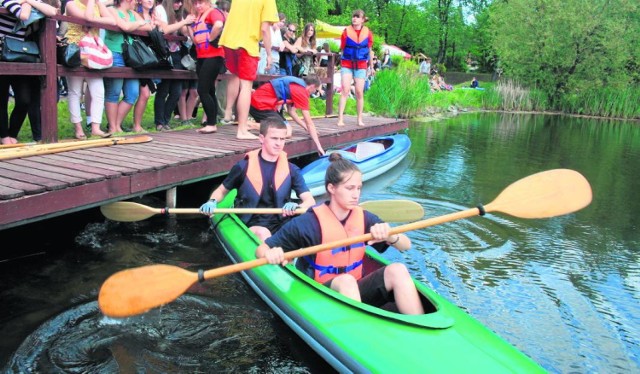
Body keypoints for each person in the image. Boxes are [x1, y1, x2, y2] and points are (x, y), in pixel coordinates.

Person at [256, 153, 425, 315]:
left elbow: (406, 245)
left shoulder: (365, 218)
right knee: (346, 281)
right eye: (350, 188)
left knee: (398, 269)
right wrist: (271, 253)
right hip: (319, 293)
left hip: (355, 290)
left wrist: (390, 236)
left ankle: (421, 328)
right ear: (332, 188)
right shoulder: (308, 222)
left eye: (359, 188)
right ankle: (362, 334)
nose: (356, 194)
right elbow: (261, 250)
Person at [199, 118, 315, 241]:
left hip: (281, 223)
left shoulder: (292, 170)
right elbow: (222, 191)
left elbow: (310, 201)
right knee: (263, 233)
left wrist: (297, 206)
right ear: (261, 138)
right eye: (274, 138)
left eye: (282, 139)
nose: (279, 143)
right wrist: (212, 201)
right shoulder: (243, 166)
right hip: (251, 223)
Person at [217, 0, 278, 140]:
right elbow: (264, 29)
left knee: (234, 76)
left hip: (229, 41)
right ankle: (242, 129)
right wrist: (269, 54)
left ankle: (227, 112)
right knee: (246, 86)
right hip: (247, 44)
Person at [0, 0, 58, 145]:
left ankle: (12, 133)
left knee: (24, 99)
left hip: (19, 55)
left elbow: (52, 11)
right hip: (2, 53)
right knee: (1, 100)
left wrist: (29, 1)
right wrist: (28, 4)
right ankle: (4, 136)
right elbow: (24, 15)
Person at [64, 0, 115, 139]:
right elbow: (86, 18)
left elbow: (112, 21)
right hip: (76, 50)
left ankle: (95, 127)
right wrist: (95, 12)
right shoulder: (71, 4)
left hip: (94, 51)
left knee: (98, 91)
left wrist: (96, 8)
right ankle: (78, 127)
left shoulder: (98, 3)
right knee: (75, 91)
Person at [104, 0, 152, 134]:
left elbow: (149, 27)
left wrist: (133, 24)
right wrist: (138, 24)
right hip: (115, 52)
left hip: (131, 56)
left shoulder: (133, 13)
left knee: (132, 93)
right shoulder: (112, 10)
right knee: (114, 91)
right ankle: (113, 128)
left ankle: (116, 125)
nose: (137, 2)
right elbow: (124, 27)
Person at [249, 75, 325, 155]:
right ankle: (250, 125)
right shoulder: (301, 91)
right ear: (312, 86)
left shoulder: (297, 85)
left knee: (287, 130)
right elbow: (309, 123)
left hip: (262, 104)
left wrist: (306, 128)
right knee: (286, 131)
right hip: (260, 105)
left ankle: (258, 125)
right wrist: (319, 146)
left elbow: (291, 111)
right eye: (316, 89)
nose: (315, 92)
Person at [152, 0, 195, 132]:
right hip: (164, 53)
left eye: (181, 2)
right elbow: (165, 29)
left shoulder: (178, 14)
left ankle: (166, 120)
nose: (179, 5)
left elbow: (184, 31)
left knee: (176, 92)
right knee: (163, 90)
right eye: (176, 2)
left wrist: (187, 23)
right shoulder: (160, 9)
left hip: (177, 54)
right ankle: (159, 122)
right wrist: (183, 22)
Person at [189, 0, 227, 134]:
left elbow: (218, 24)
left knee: (202, 90)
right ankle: (212, 121)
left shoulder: (213, 12)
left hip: (214, 56)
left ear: (208, 3)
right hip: (202, 57)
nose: (198, 6)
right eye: (196, 3)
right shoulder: (199, 16)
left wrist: (210, 38)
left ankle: (211, 124)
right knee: (209, 90)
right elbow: (195, 39)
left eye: (201, 3)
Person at [337, 9, 373, 128]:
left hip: (361, 64)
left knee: (359, 92)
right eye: (353, 16)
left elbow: (369, 51)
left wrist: (371, 66)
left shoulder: (368, 33)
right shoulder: (346, 32)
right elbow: (342, 48)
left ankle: (359, 119)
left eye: (357, 17)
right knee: (345, 90)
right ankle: (340, 118)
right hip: (347, 63)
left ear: (362, 20)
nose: (354, 18)